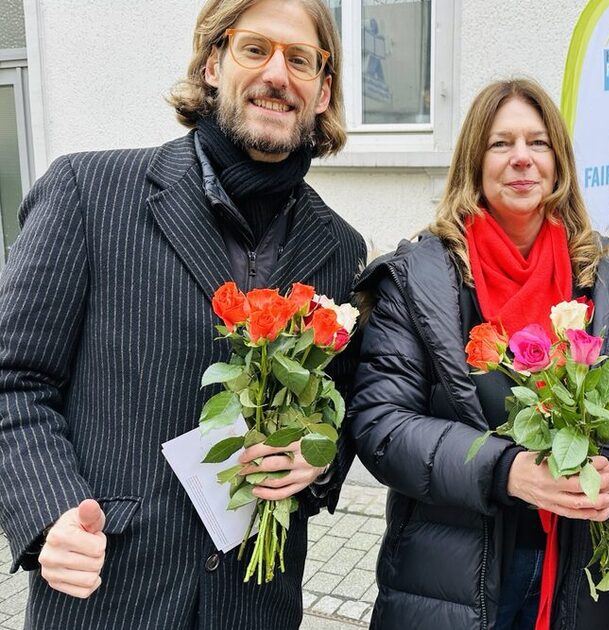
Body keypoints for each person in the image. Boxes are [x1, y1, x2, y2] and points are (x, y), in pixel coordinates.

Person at [0, 0, 365, 628]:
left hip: (256, 605)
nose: (278, 74)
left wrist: (321, 459)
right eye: (255, 49)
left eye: (300, 60)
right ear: (213, 64)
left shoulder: (339, 249)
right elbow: (14, 378)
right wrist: (48, 514)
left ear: (323, 91)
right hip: (111, 595)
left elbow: (343, 404)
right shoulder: (89, 192)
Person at [347, 78, 609, 630]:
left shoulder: (606, 274)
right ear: (475, 161)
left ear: (559, 160)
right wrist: (506, 471)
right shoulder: (419, 276)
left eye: (538, 142)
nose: (522, 159)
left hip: (580, 571)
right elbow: (381, 425)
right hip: (449, 574)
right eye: (502, 144)